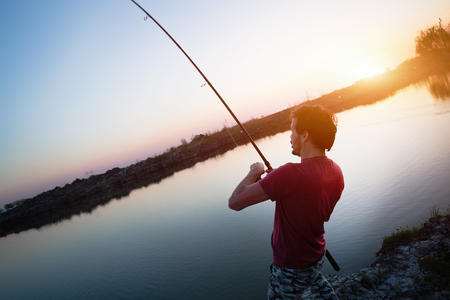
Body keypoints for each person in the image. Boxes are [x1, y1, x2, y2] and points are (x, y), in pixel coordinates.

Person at [228, 104, 344, 299]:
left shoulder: (290, 174)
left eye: (292, 130)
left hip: (291, 268)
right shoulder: (336, 171)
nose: (290, 137)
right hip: (316, 254)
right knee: (317, 286)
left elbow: (235, 202)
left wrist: (254, 171)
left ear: (304, 135)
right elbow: (307, 198)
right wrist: (278, 182)